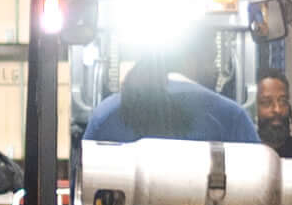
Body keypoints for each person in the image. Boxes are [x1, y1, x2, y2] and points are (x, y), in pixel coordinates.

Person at [81, 55, 261, 147]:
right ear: (191, 59)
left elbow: (81, 198)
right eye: (213, 58)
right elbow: (260, 189)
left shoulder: (105, 116)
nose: (215, 68)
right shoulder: (231, 117)